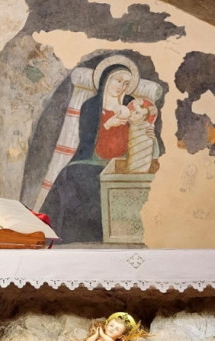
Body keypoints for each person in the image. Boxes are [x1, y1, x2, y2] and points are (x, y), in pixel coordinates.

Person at [41, 57, 146, 243]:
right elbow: (86, 140)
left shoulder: (132, 105)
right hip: (92, 159)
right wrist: (108, 124)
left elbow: (142, 130)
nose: (122, 86)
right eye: (118, 80)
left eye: (126, 83)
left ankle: (97, 238)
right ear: (106, 80)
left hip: (121, 163)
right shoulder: (91, 106)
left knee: (93, 182)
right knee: (70, 176)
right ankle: (67, 238)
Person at [126, 98, 159, 173]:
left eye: (137, 113)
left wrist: (146, 110)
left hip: (142, 168)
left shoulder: (147, 129)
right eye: (133, 110)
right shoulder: (130, 127)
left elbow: (154, 110)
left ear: (143, 117)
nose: (132, 112)